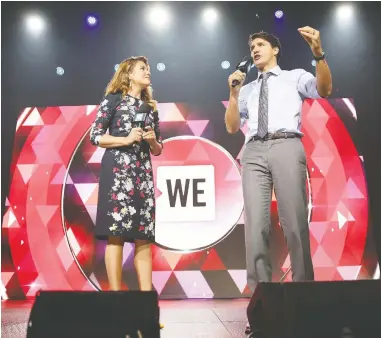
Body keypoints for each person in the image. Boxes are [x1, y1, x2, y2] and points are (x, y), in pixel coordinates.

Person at [225, 28, 332, 335]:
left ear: (274, 50)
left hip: (286, 144)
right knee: (255, 229)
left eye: (260, 45)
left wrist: (318, 54)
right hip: (254, 150)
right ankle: (260, 309)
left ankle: (304, 302)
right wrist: (233, 93)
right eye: (251, 45)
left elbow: (324, 89)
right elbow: (232, 126)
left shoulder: (294, 76)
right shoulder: (245, 88)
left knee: (295, 224)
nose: (255, 49)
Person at [89, 56, 163, 312]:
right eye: (143, 69)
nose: (148, 72)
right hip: (118, 174)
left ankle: (147, 307)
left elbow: (158, 149)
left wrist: (152, 141)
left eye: (149, 69)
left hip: (142, 175)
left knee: (143, 237)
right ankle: (116, 303)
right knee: (116, 235)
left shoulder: (151, 107)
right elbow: (95, 136)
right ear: (129, 74)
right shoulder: (113, 100)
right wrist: (126, 138)